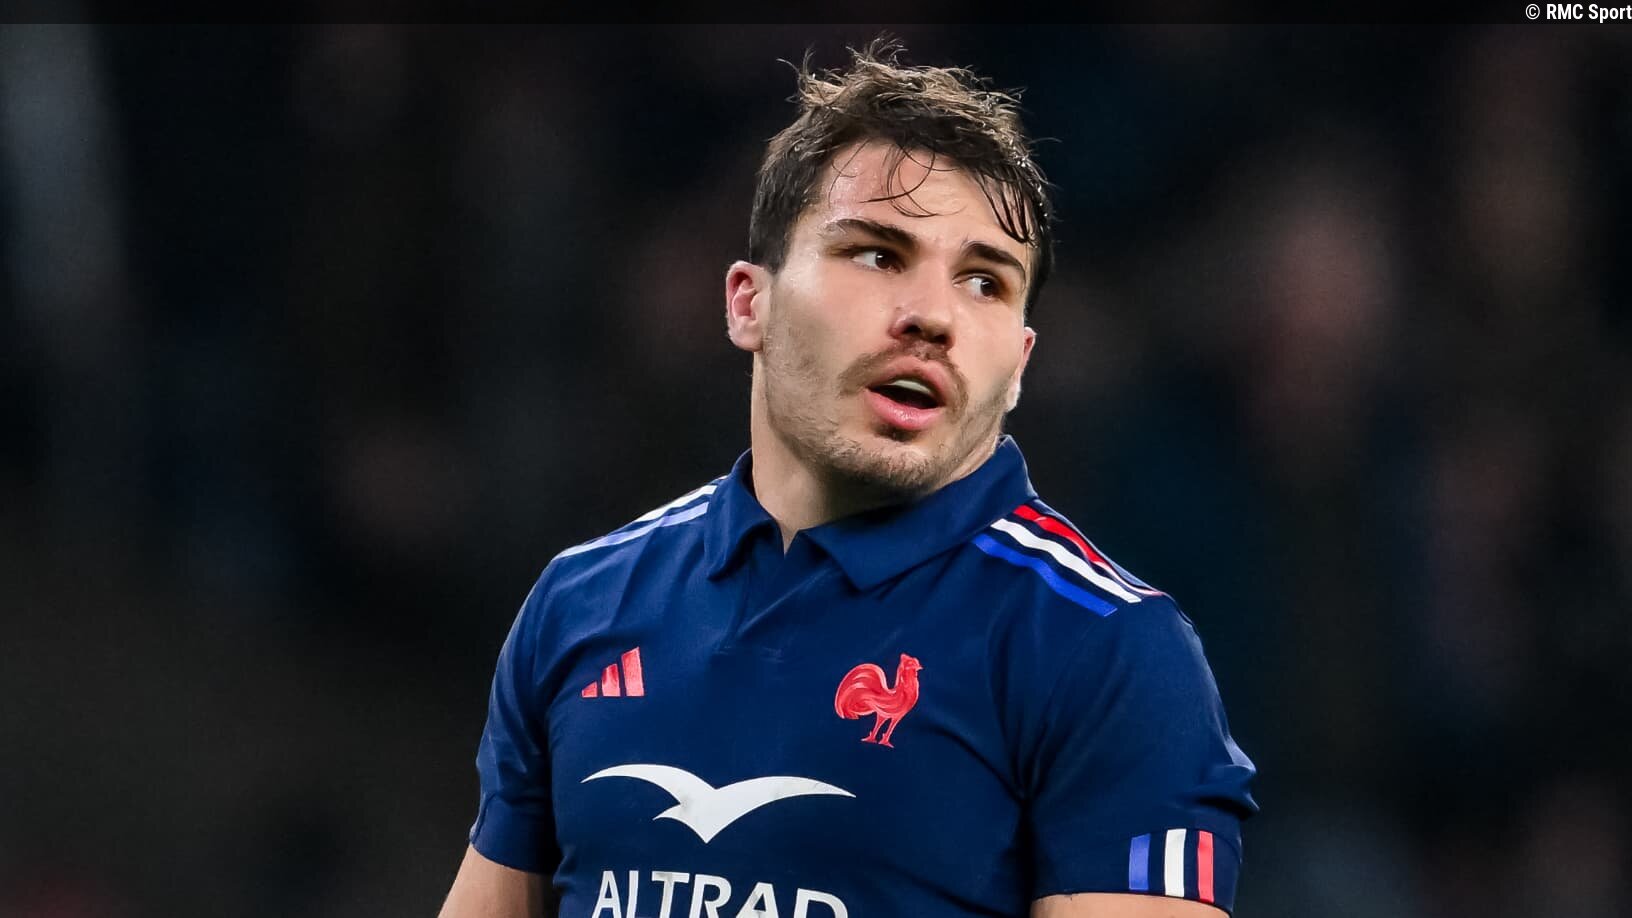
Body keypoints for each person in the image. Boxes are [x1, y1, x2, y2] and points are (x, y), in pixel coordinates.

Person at [439, 40, 1257, 918]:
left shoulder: (1103, 650)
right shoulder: (582, 604)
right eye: (876, 255)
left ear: (1019, 363)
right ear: (748, 302)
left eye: (984, 281)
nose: (933, 316)